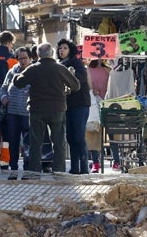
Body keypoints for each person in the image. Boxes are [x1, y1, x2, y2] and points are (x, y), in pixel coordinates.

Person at [14, 43, 80, 174]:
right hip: (57, 109)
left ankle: (34, 171)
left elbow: (18, 83)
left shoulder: (32, 69)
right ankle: (59, 171)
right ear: (52, 53)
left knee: (35, 143)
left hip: (36, 110)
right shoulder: (60, 68)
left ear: (38, 55)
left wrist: (17, 74)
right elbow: (76, 86)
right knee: (59, 142)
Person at [57, 39, 92, 174]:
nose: (62, 50)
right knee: (70, 137)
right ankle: (74, 167)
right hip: (67, 105)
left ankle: (84, 167)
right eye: (60, 48)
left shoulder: (75, 63)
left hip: (80, 104)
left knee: (78, 136)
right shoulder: (60, 65)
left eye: (65, 48)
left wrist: (69, 76)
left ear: (70, 50)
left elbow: (81, 77)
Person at [1, 46, 34, 175]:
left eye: (25, 58)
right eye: (20, 59)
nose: (22, 61)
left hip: (28, 113)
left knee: (28, 141)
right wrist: (4, 98)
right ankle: (13, 166)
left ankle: (27, 167)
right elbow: (3, 87)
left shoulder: (34, 71)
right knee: (13, 140)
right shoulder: (12, 71)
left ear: (30, 58)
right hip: (13, 112)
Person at [86, 59, 111, 172]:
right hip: (106, 105)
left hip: (95, 105)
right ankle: (115, 160)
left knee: (94, 135)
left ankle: (96, 162)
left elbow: (89, 88)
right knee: (109, 134)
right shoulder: (108, 70)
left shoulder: (89, 70)